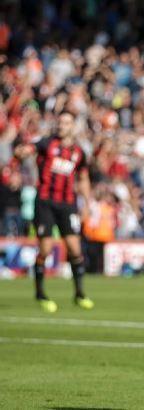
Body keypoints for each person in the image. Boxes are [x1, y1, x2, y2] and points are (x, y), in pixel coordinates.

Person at [14, 111, 94, 312]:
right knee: (45, 249)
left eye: (66, 122)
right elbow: (27, 150)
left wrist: (87, 203)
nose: (61, 125)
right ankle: (40, 293)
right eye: (60, 122)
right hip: (45, 203)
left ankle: (79, 294)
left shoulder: (79, 152)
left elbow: (83, 178)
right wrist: (21, 151)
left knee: (75, 249)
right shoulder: (46, 143)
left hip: (68, 204)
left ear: (73, 126)